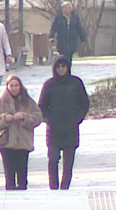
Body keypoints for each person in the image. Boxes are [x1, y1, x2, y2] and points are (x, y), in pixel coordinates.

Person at [38, 56, 90, 190]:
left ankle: (65, 186)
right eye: (58, 67)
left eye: (63, 66)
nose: (61, 69)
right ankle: (53, 186)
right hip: (54, 130)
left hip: (71, 129)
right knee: (53, 159)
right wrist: (49, 120)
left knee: (68, 163)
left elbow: (84, 103)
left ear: (68, 67)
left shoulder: (76, 83)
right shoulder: (49, 85)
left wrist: (78, 119)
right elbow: (42, 105)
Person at [0, 75, 43, 190]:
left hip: (23, 142)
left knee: (22, 173)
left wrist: (24, 117)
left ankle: (22, 191)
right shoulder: (0, 102)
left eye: (16, 85)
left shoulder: (28, 102)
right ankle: (10, 192)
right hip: (6, 142)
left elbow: (38, 118)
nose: (14, 88)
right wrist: (3, 118)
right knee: (9, 172)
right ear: (7, 87)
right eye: (11, 86)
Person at [48, 1, 89, 65]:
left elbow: (79, 28)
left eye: (67, 7)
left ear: (71, 8)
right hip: (62, 41)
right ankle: (65, 68)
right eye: (64, 8)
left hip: (71, 41)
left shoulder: (75, 17)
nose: (66, 9)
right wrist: (51, 36)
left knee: (69, 57)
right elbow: (53, 27)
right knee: (63, 57)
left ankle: (68, 68)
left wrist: (83, 39)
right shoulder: (58, 17)